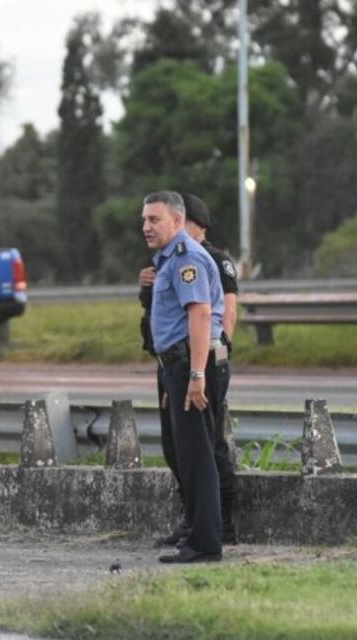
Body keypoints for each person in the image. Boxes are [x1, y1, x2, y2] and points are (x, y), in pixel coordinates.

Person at [139, 194, 239, 547]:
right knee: (186, 453)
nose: (146, 227)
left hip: (193, 364)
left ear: (178, 221)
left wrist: (196, 375)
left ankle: (208, 540)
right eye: (145, 220)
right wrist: (172, 374)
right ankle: (197, 532)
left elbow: (199, 314)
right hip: (178, 365)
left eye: (155, 220)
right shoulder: (166, 261)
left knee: (200, 454)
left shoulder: (187, 259)